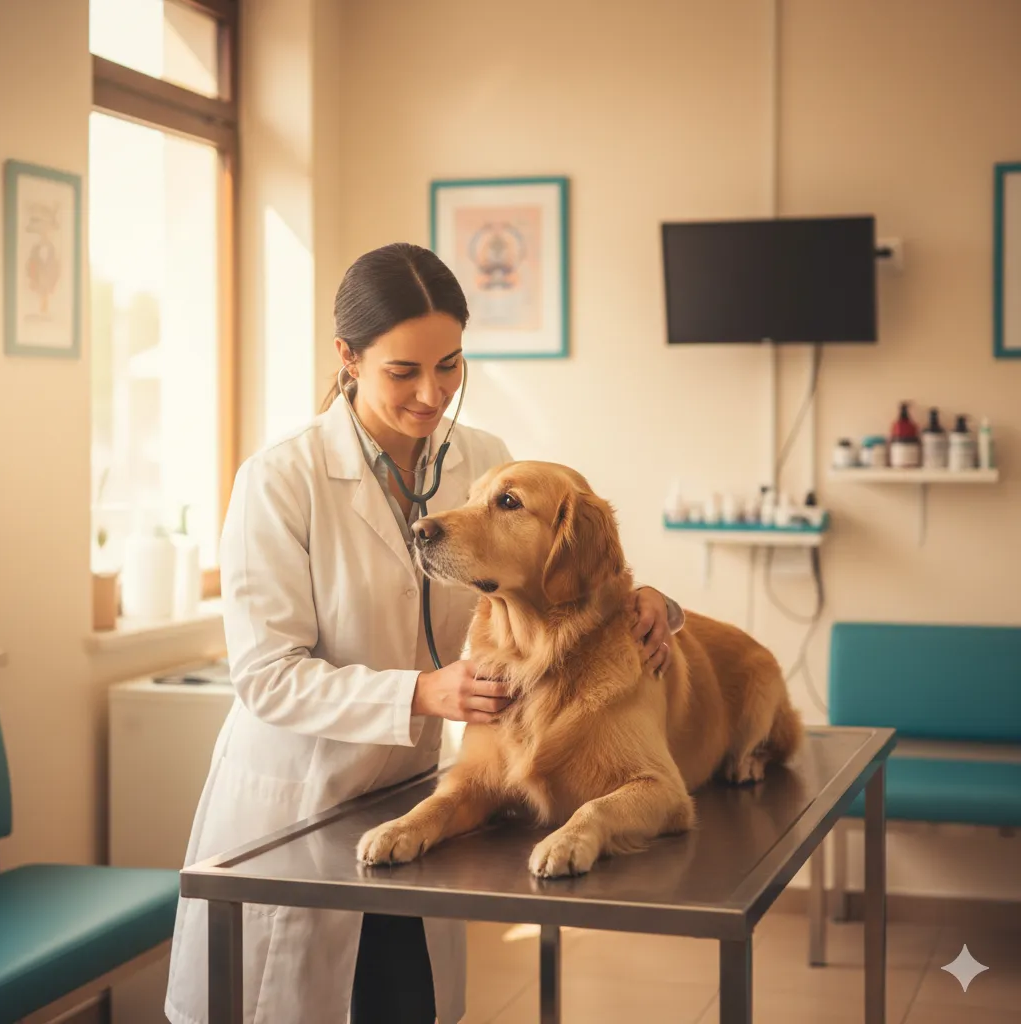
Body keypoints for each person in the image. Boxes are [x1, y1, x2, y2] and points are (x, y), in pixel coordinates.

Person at [164, 243, 684, 1024]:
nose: (432, 393)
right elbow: (267, 674)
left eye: (449, 365)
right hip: (298, 804)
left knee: (404, 1007)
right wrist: (422, 692)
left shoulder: (483, 462)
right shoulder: (280, 480)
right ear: (348, 358)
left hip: (418, 802)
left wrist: (650, 602)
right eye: (403, 372)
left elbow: (555, 578)